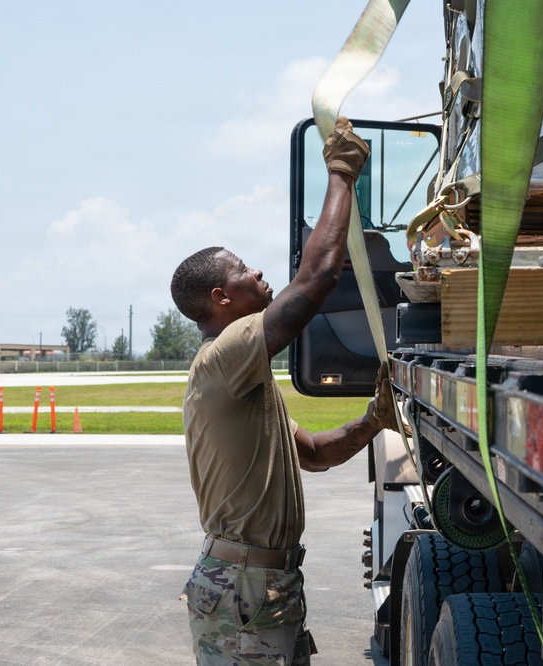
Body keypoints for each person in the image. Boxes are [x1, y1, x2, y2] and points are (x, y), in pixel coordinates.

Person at [170, 117, 404, 665]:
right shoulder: (224, 354)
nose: (261, 276)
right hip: (243, 588)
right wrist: (342, 174)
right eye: (246, 273)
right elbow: (316, 279)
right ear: (221, 297)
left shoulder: (245, 377)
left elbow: (315, 455)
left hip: (262, 586)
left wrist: (375, 420)